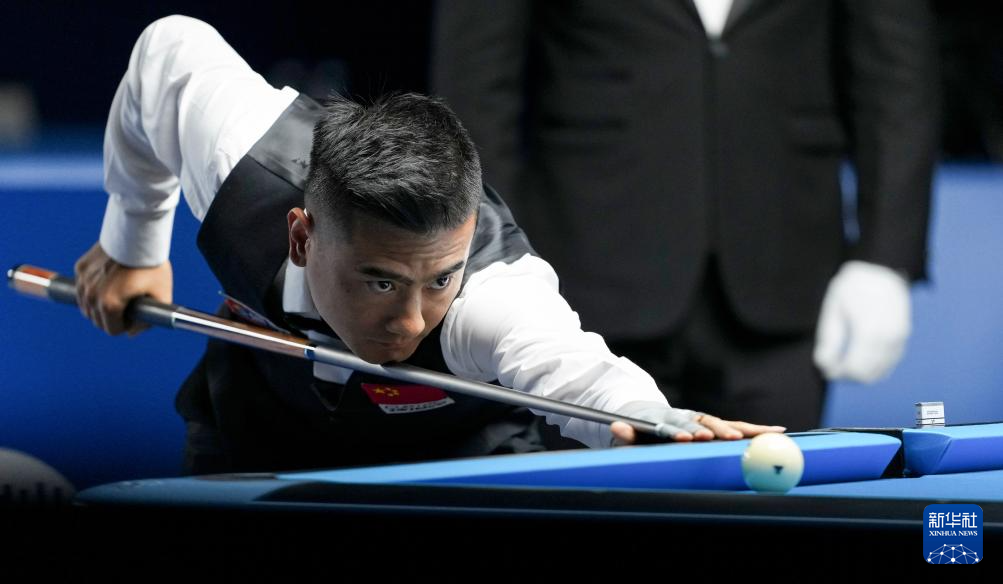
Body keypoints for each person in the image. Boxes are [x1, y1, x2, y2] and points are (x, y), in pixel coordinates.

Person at [73, 15, 781, 474]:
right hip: (253, 438)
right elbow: (168, 47)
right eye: (380, 281)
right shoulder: (241, 162)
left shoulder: (496, 297)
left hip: (458, 462)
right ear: (302, 236)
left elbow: (579, 376)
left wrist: (653, 421)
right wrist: (133, 244)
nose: (411, 321)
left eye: (439, 280)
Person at [433, 0, 940, 431]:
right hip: (582, 277)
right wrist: (492, 260)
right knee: (594, 501)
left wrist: (885, 257)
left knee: (775, 504)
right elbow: (475, 81)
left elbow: (896, 74)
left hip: (785, 273)